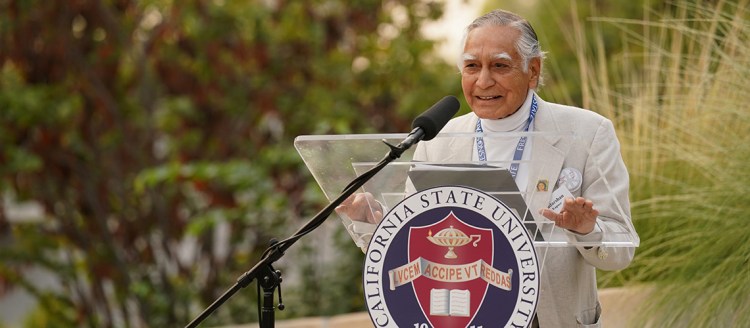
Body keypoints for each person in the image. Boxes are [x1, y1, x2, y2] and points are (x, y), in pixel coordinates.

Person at [337, 9, 636, 328]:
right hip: (466, 317)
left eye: (499, 66)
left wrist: (586, 229)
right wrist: (374, 222)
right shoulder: (437, 141)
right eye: (471, 66)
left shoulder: (587, 134)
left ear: (532, 70)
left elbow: (622, 250)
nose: (483, 81)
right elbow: (418, 244)